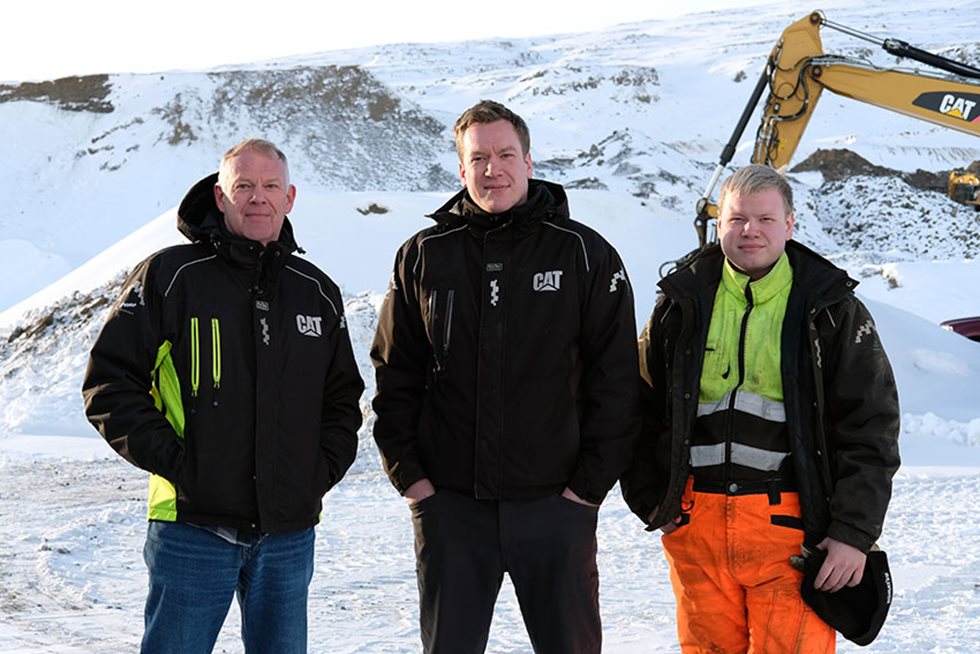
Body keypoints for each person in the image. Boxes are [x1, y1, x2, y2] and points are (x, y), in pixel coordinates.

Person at [370, 99, 640, 653]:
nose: (493, 168)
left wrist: (585, 490)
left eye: (505, 154)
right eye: (479, 158)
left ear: (529, 162)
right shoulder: (424, 255)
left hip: (556, 508)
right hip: (451, 509)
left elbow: (616, 384)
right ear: (460, 169)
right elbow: (395, 375)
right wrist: (414, 482)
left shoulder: (585, 255)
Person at [82, 138, 364, 654]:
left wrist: (317, 473)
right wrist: (180, 464)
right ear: (220, 196)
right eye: (244, 186)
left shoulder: (316, 291)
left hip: (287, 534)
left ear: (290, 197)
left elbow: (342, 398)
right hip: (192, 529)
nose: (258, 198)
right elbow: (109, 384)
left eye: (270, 186)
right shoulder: (171, 276)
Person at [621, 164, 900, 653]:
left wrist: (853, 532)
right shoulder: (679, 303)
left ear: (790, 225)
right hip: (695, 526)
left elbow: (871, 425)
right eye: (737, 219)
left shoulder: (830, 309)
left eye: (766, 219)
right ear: (718, 224)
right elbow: (636, 404)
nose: (750, 230)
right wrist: (651, 498)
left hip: (791, 532)